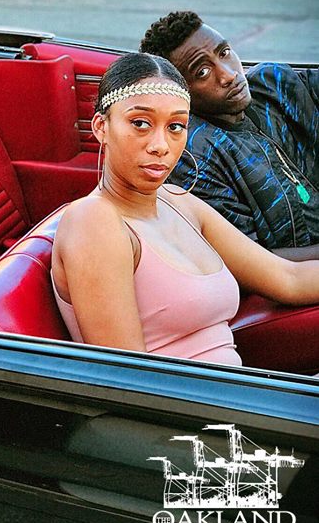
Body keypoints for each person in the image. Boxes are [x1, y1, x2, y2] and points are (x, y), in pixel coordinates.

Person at [51, 53, 319, 366]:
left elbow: (288, 278)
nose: (160, 145)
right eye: (140, 123)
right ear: (101, 127)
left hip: (237, 384)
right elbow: (126, 376)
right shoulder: (93, 220)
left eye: (176, 126)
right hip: (185, 396)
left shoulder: (178, 200)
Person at [139, 11, 319, 261]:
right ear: (180, 93)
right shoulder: (195, 158)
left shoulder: (274, 82)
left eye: (224, 53)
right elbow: (252, 260)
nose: (229, 75)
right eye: (202, 72)